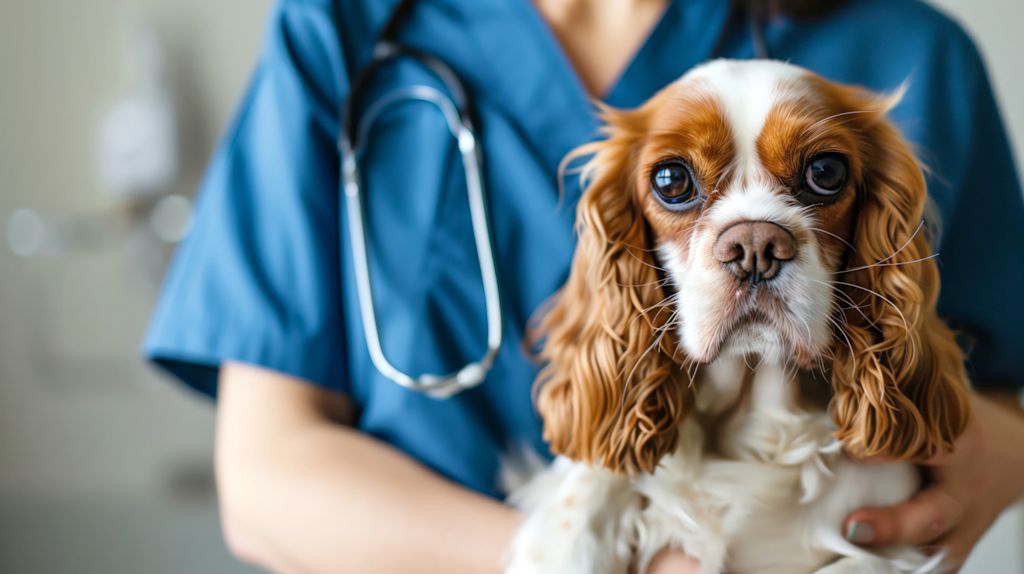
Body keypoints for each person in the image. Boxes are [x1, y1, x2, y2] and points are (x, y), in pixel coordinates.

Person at [144, 0, 1024, 572]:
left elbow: (1002, 393)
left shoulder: (911, 48)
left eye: (821, 176)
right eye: (676, 184)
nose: (754, 241)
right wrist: (582, 556)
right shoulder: (344, 29)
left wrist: (991, 446)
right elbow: (264, 478)